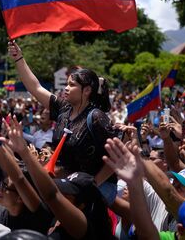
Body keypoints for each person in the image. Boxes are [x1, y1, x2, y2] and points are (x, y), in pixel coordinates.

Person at [8, 41, 118, 202]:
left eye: (71, 85)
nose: (66, 88)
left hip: (97, 189)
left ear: (86, 91)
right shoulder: (63, 108)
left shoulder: (96, 117)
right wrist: (19, 58)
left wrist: (93, 185)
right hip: (69, 185)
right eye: (66, 84)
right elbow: (35, 87)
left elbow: (115, 157)